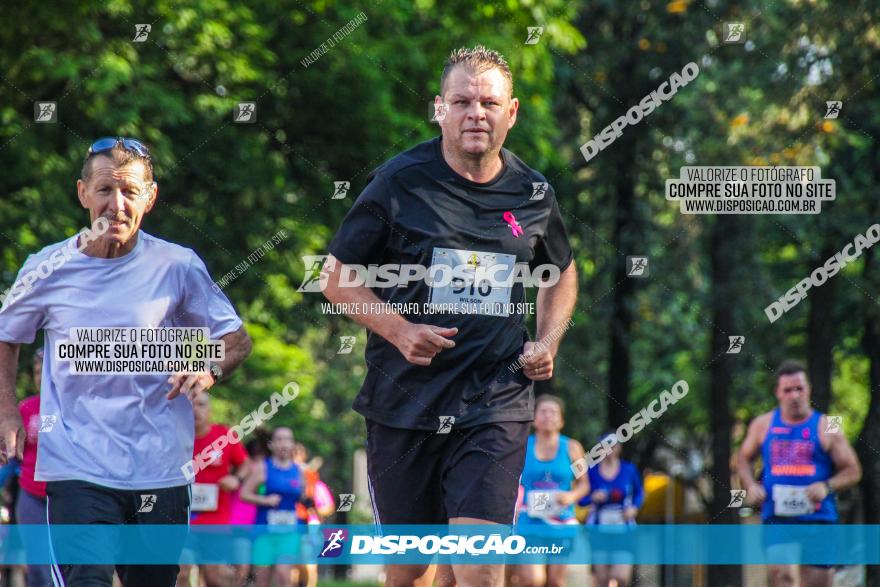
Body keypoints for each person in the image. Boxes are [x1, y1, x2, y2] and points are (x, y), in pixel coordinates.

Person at [322, 45, 577, 587]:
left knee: (479, 568)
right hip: (404, 405)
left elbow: (562, 272)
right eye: (461, 101)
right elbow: (335, 275)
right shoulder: (398, 183)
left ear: (512, 112)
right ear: (440, 109)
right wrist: (398, 329)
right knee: (411, 571)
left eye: (489, 102)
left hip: (495, 401)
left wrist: (548, 341)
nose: (475, 113)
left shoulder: (533, 193)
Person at [0, 137, 252, 586]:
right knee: (88, 579)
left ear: (149, 198)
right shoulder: (47, 267)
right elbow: (6, 336)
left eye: (130, 192)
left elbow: (235, 340)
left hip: (160, 469)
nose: (116, 205)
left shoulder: (177, 266)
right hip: (77, 465)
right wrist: (5, 410)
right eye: (104, 190)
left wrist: (208, 366)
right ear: (82, 193)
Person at [737, 360, 862, 587]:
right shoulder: (762, 424)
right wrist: (750, 485)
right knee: (781, 575)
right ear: (778, 393)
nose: (794, 395)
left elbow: (853, 470)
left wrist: (827, 486)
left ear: (808, 390)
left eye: (799, 389)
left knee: (817, 583)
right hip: (778, 516)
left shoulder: (828, 424)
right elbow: (743, 459)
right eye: (788, 390)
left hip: (818, 517)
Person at [512, 395, 588, 587]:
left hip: (561, 523)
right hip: (529, 522)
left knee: (556, 582)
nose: (548, 416)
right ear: (534, 418)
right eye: (543, 411)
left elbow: (584, 484)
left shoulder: (572, 448)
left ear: (561, 420)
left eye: (554, 412)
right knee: (532, 580)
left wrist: (570, 496)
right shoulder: (522, 445)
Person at [177, 393, 250, 587]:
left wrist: (236, 478)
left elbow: (245, 465)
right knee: (181, 572)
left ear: (209, 411)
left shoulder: (224, 436)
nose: (195, 410)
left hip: (215, 520)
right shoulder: (174, 436)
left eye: (201, 405)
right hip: (181, 518)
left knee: (215, 576)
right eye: (191, 405)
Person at [240, 427, 304, 587]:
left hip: (289, 531)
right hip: (264, 532)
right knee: (262, 580)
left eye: (288, 439)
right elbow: (244, 493)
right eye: (280, 439)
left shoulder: (298, 470)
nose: (284, 444)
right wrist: (265, 500)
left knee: (284, 575)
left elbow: (302, 497)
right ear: (271, 445)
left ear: (292, 444)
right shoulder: (264, 468)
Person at [580, 432, 644, 587]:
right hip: (598, 527)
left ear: (619, 447)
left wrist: (634, 508)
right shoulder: (591, 471)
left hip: (623, 526)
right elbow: (581, 499)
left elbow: (639, 492)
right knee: (601, 578)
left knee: (620, 576)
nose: (610, 449)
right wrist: (593, 498)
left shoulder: (629, 470)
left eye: (613, 445)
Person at [16, 348, 50, 587]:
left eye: (44, 370)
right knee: (38, 566)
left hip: (66, 497)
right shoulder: (26, 408)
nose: (40, 377)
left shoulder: (73, 408)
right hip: (31, 495)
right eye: (36, 371)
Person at [292, 442, 335, 587]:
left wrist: (314, 509)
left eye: (298, 454)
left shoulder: (315, 484)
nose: (295, 458)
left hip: (310, 526)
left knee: (309, 565)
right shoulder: (284, 481)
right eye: (293, 454)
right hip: (289, 525)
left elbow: (328, 507)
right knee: (292, 567)